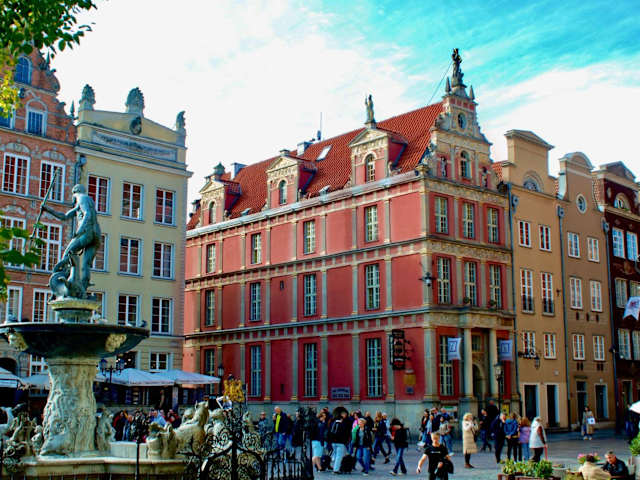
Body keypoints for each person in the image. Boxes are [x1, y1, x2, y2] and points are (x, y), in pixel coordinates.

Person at [330, 409, 351, 474]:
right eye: (345, 414)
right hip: (340, 442)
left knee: (336, 455)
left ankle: (336, 467)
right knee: (339, 456)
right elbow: (344, 433)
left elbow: (331, 431)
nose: (345, 415)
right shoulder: (342, 424)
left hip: (333, 441)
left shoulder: (334, 422)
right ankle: (336, 470)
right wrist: (345, 441)